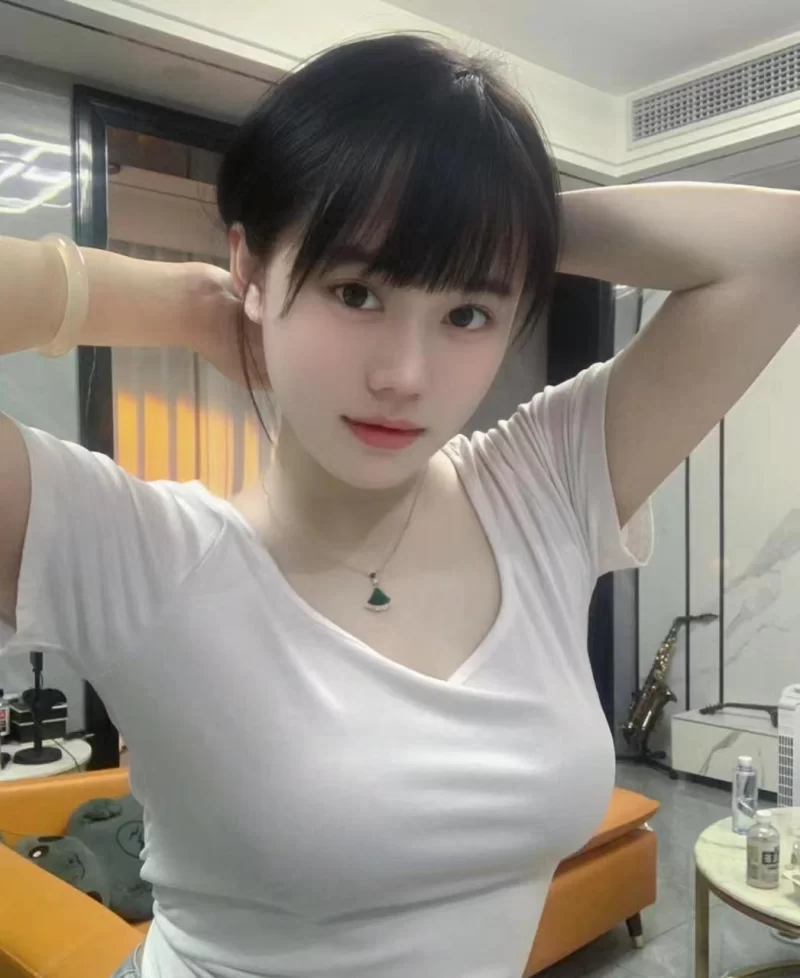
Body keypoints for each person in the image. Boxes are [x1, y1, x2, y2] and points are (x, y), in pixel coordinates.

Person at [1, 32, 798, 978]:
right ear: (250, 267)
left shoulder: (541, 488)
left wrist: (492, 214)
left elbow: (776, 252)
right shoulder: (136, 553)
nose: (405, 376)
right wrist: (179, 304)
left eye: (468, 312)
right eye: (356, 290)